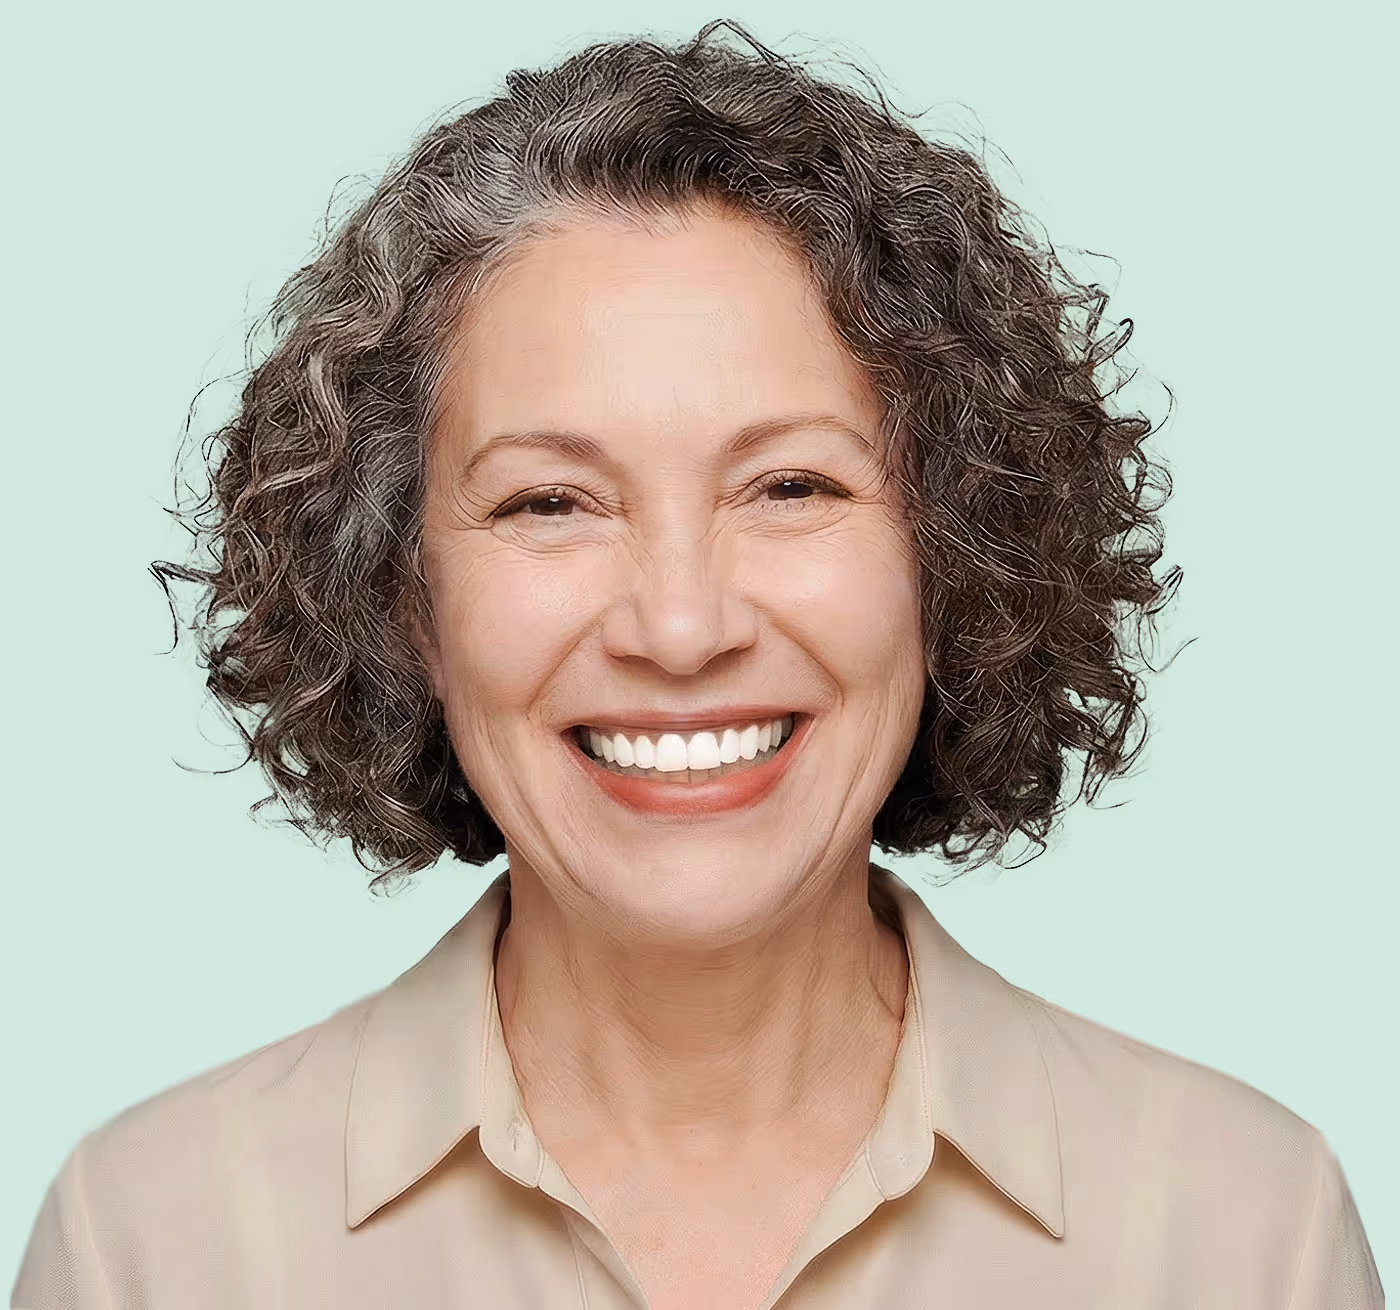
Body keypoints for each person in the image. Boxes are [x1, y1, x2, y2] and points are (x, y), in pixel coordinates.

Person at [12, 20, 1382, 1310]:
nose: (679, 627)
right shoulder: (156, 1243)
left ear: (957, 557)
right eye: (550, 502)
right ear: (402, 595)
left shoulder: (1242, 1233)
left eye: (790, 485)